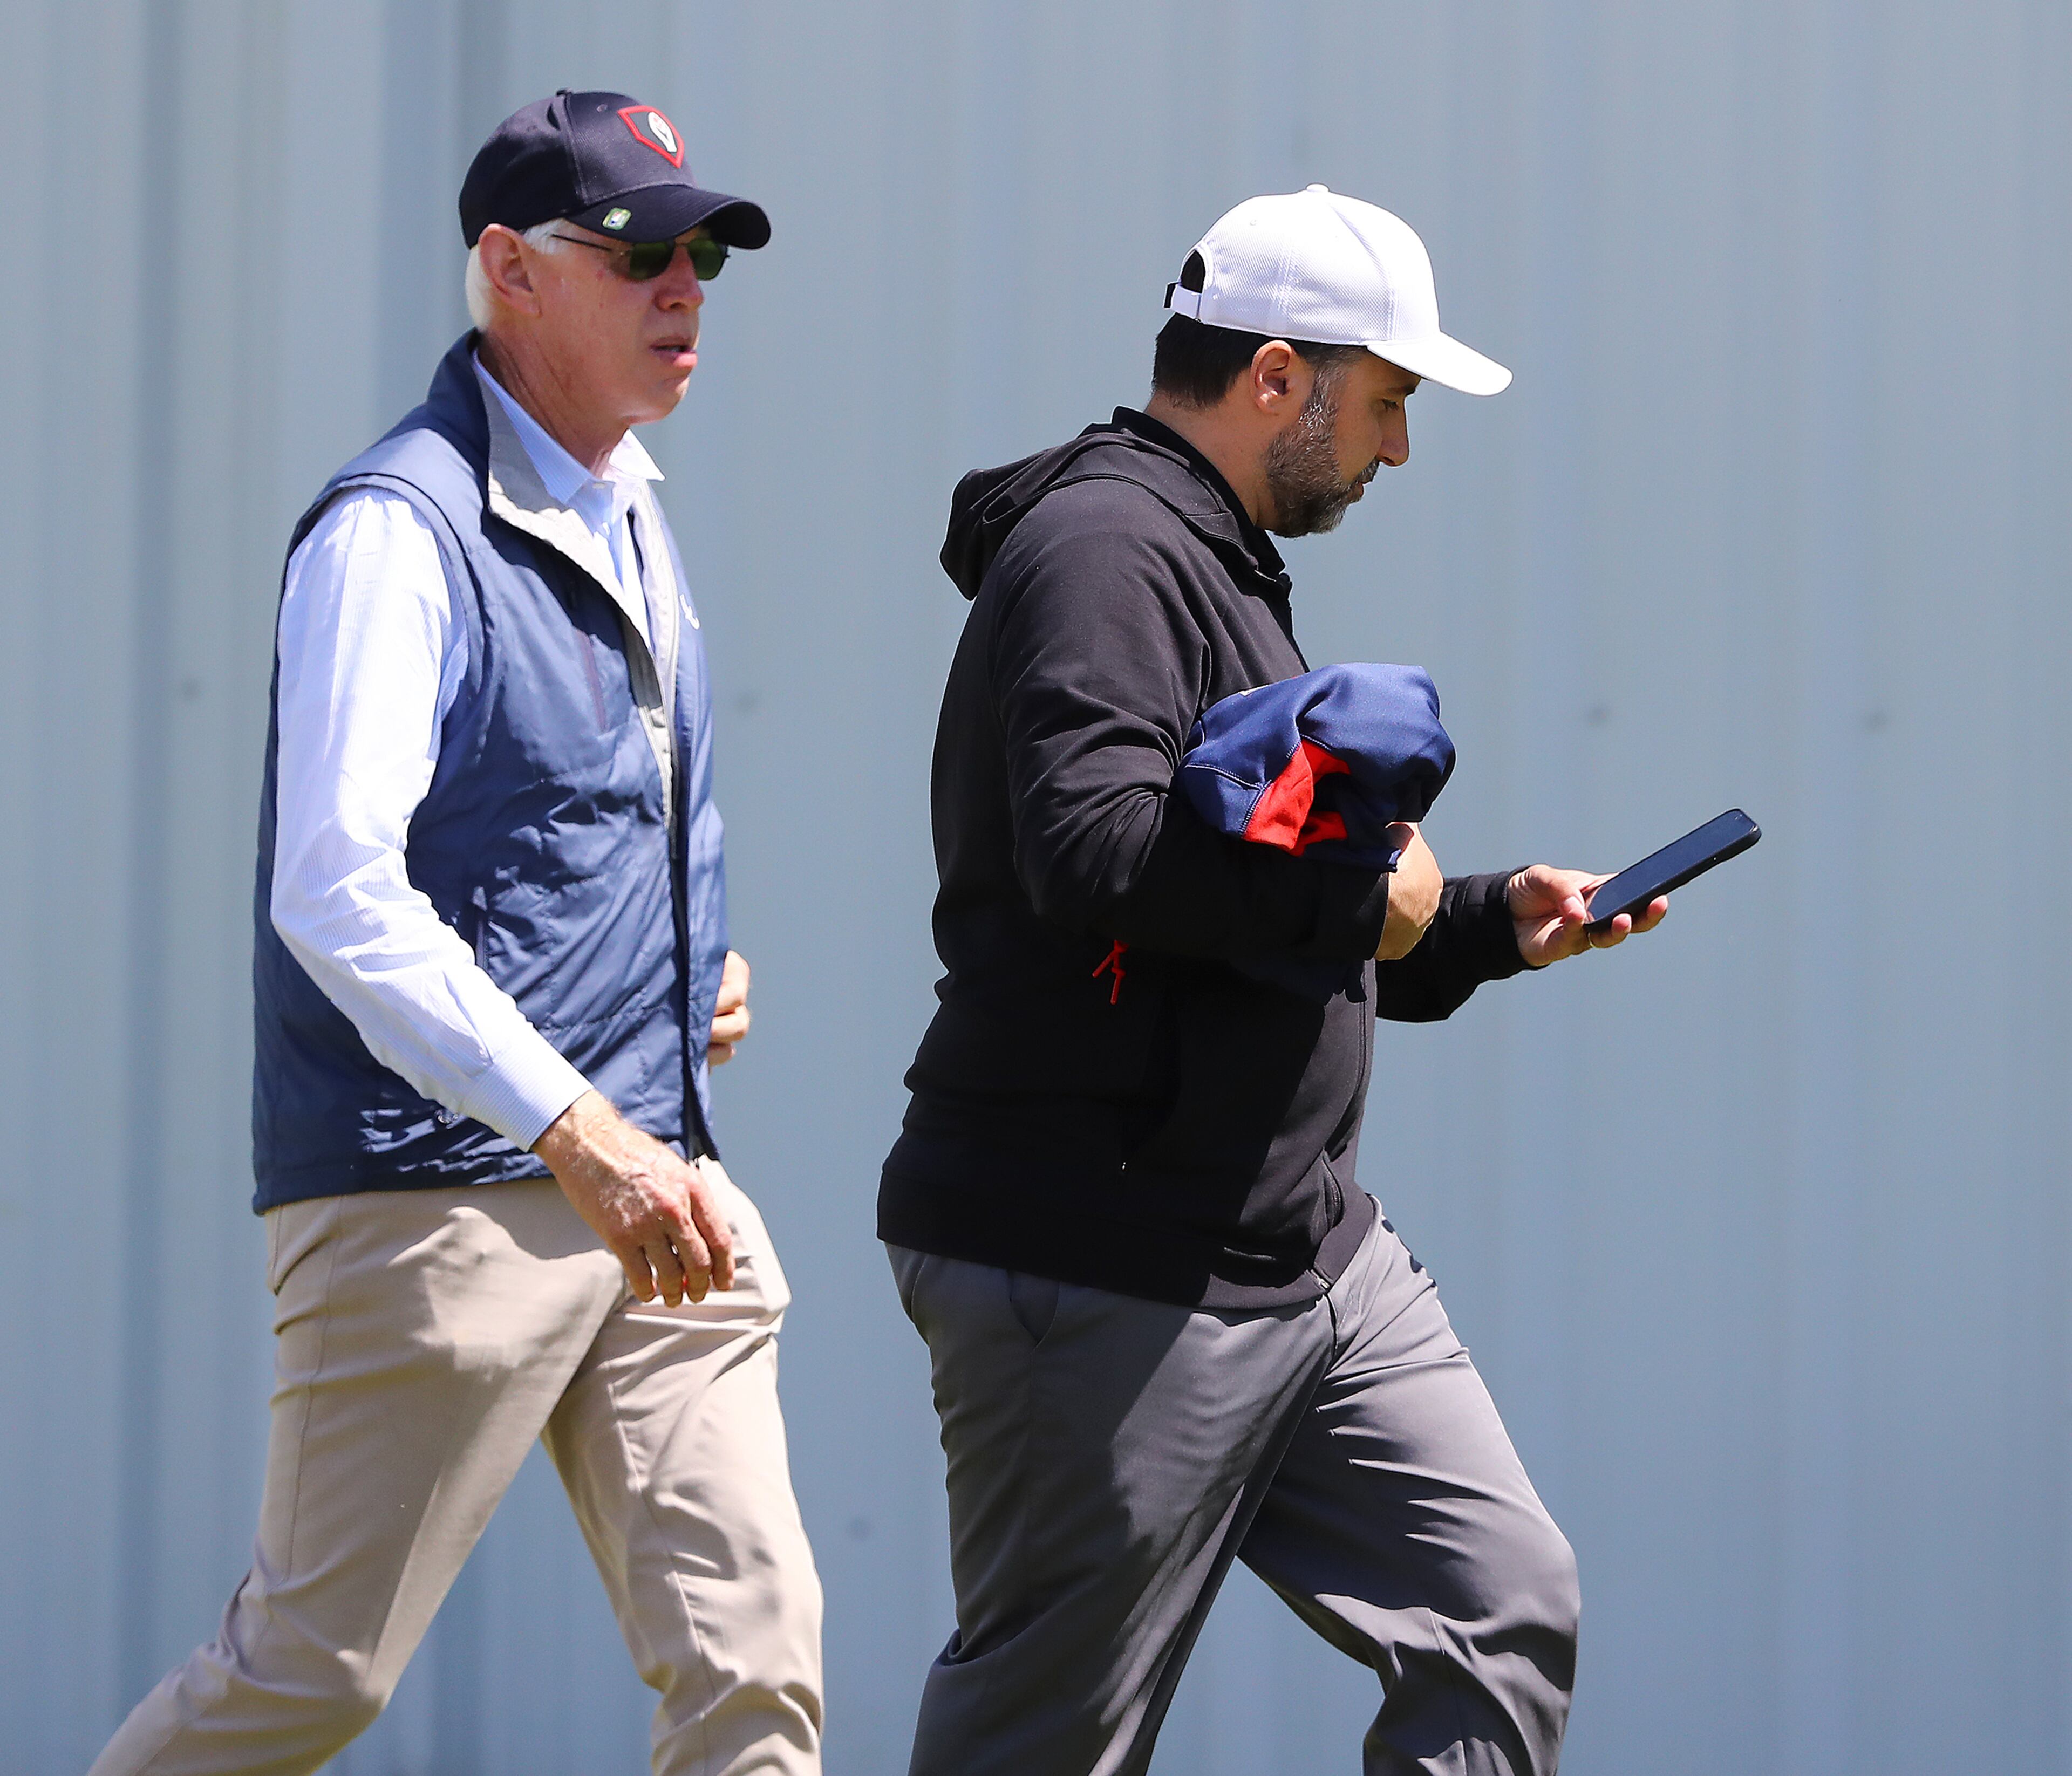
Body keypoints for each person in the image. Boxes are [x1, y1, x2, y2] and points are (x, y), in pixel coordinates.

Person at [879, 186, 1667, 1776]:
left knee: (1501, 1602)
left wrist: (1487, 920)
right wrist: (1372, 895)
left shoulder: (1209, 556)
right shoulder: (1104, 549)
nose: (1394, 449)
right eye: (1385, 404)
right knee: (1042, 1743)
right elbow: (1095, 854)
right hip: (1106, 1258)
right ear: (1277, 377)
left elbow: (1265, 902)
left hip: (1305, 1255)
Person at [91, 91, 822, 1776]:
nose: (685, 285)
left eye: (702, 253)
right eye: (639, 249)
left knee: (755, 1671)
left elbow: (563, 823)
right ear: (508, 269)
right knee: (310, 1675)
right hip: (442, 1190)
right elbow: (338, 888)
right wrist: (579, 1128)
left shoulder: (632, 498)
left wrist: (671, 962)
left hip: (661, 1180)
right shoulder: (391, 531)